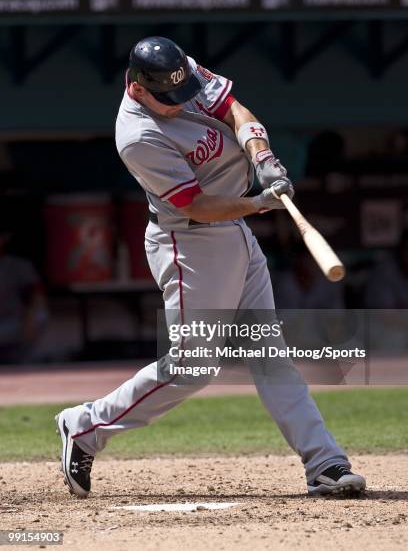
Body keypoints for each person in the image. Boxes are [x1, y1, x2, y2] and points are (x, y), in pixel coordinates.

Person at [56, 36, 365, 499]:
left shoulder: (179, 74)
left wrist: (262, 157)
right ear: (138, 89)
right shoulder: (138, 136)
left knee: (269, 354)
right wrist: (260, 202)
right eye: (168, 100)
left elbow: (236, 110)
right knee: (193, 366)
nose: (180, 104)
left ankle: (324, 462)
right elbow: (196, 206)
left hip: (234, 233)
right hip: (190, 243)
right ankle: (84, 426)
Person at [0, 224, 48, 364]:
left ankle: (18, 361)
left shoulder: (18, 265)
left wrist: (31, 315)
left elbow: (37, 296)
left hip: (9, 324)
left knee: (40, 316)